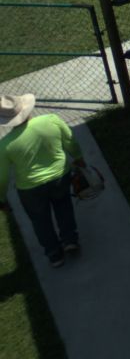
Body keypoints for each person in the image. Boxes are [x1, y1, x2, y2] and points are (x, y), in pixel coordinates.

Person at [0, 93, 85, 267]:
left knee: (40, 220)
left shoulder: (5, 145)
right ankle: (70, 240)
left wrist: (1, 199)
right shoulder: (51, 120)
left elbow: (2, 176)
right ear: (26, 107)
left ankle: (55, 255)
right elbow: (70, 140)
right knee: (63, 207)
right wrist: (78, 157)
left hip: (30, 190)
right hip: (60, 176)